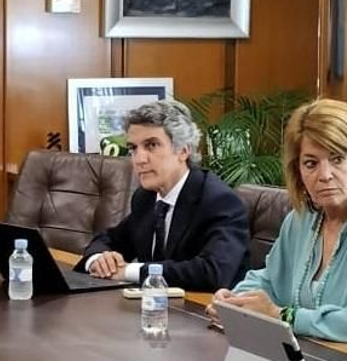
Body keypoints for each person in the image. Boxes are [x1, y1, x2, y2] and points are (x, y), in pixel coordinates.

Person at [207, 98, 347, 341]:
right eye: (311, 163)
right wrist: (235, 304)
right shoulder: (300, 220)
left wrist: (285, 317)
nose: (324, 175)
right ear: (298, 172)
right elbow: (269, 282)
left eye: (337, 159)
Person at [79, 99, 251, 291]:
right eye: (133, 148)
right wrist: (99, 259)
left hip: (203, 313)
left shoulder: (218, 201)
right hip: (156, 310)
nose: (139, 159)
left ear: (183, 151)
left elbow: (213, 272)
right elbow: (109, 239)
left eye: (151, 145)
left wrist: (130, 271)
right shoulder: (146, 197)